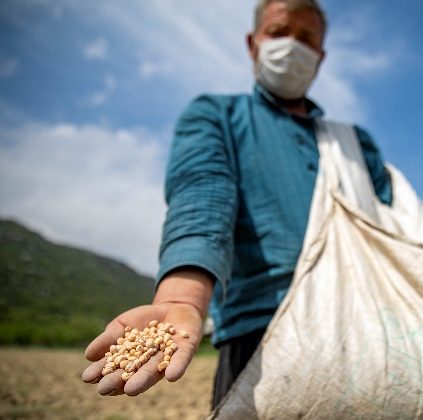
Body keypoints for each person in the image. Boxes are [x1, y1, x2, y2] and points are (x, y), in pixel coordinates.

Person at [81, 0, 393, 408]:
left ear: (321, 55)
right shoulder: (218, 116)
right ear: (253, 43)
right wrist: (182, 298)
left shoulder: (355, 144)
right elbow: (203, 193)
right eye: (278, 32)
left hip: (370, 333)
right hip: (262, 337)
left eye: (306, 38)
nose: (292, 46)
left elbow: (392, 226)